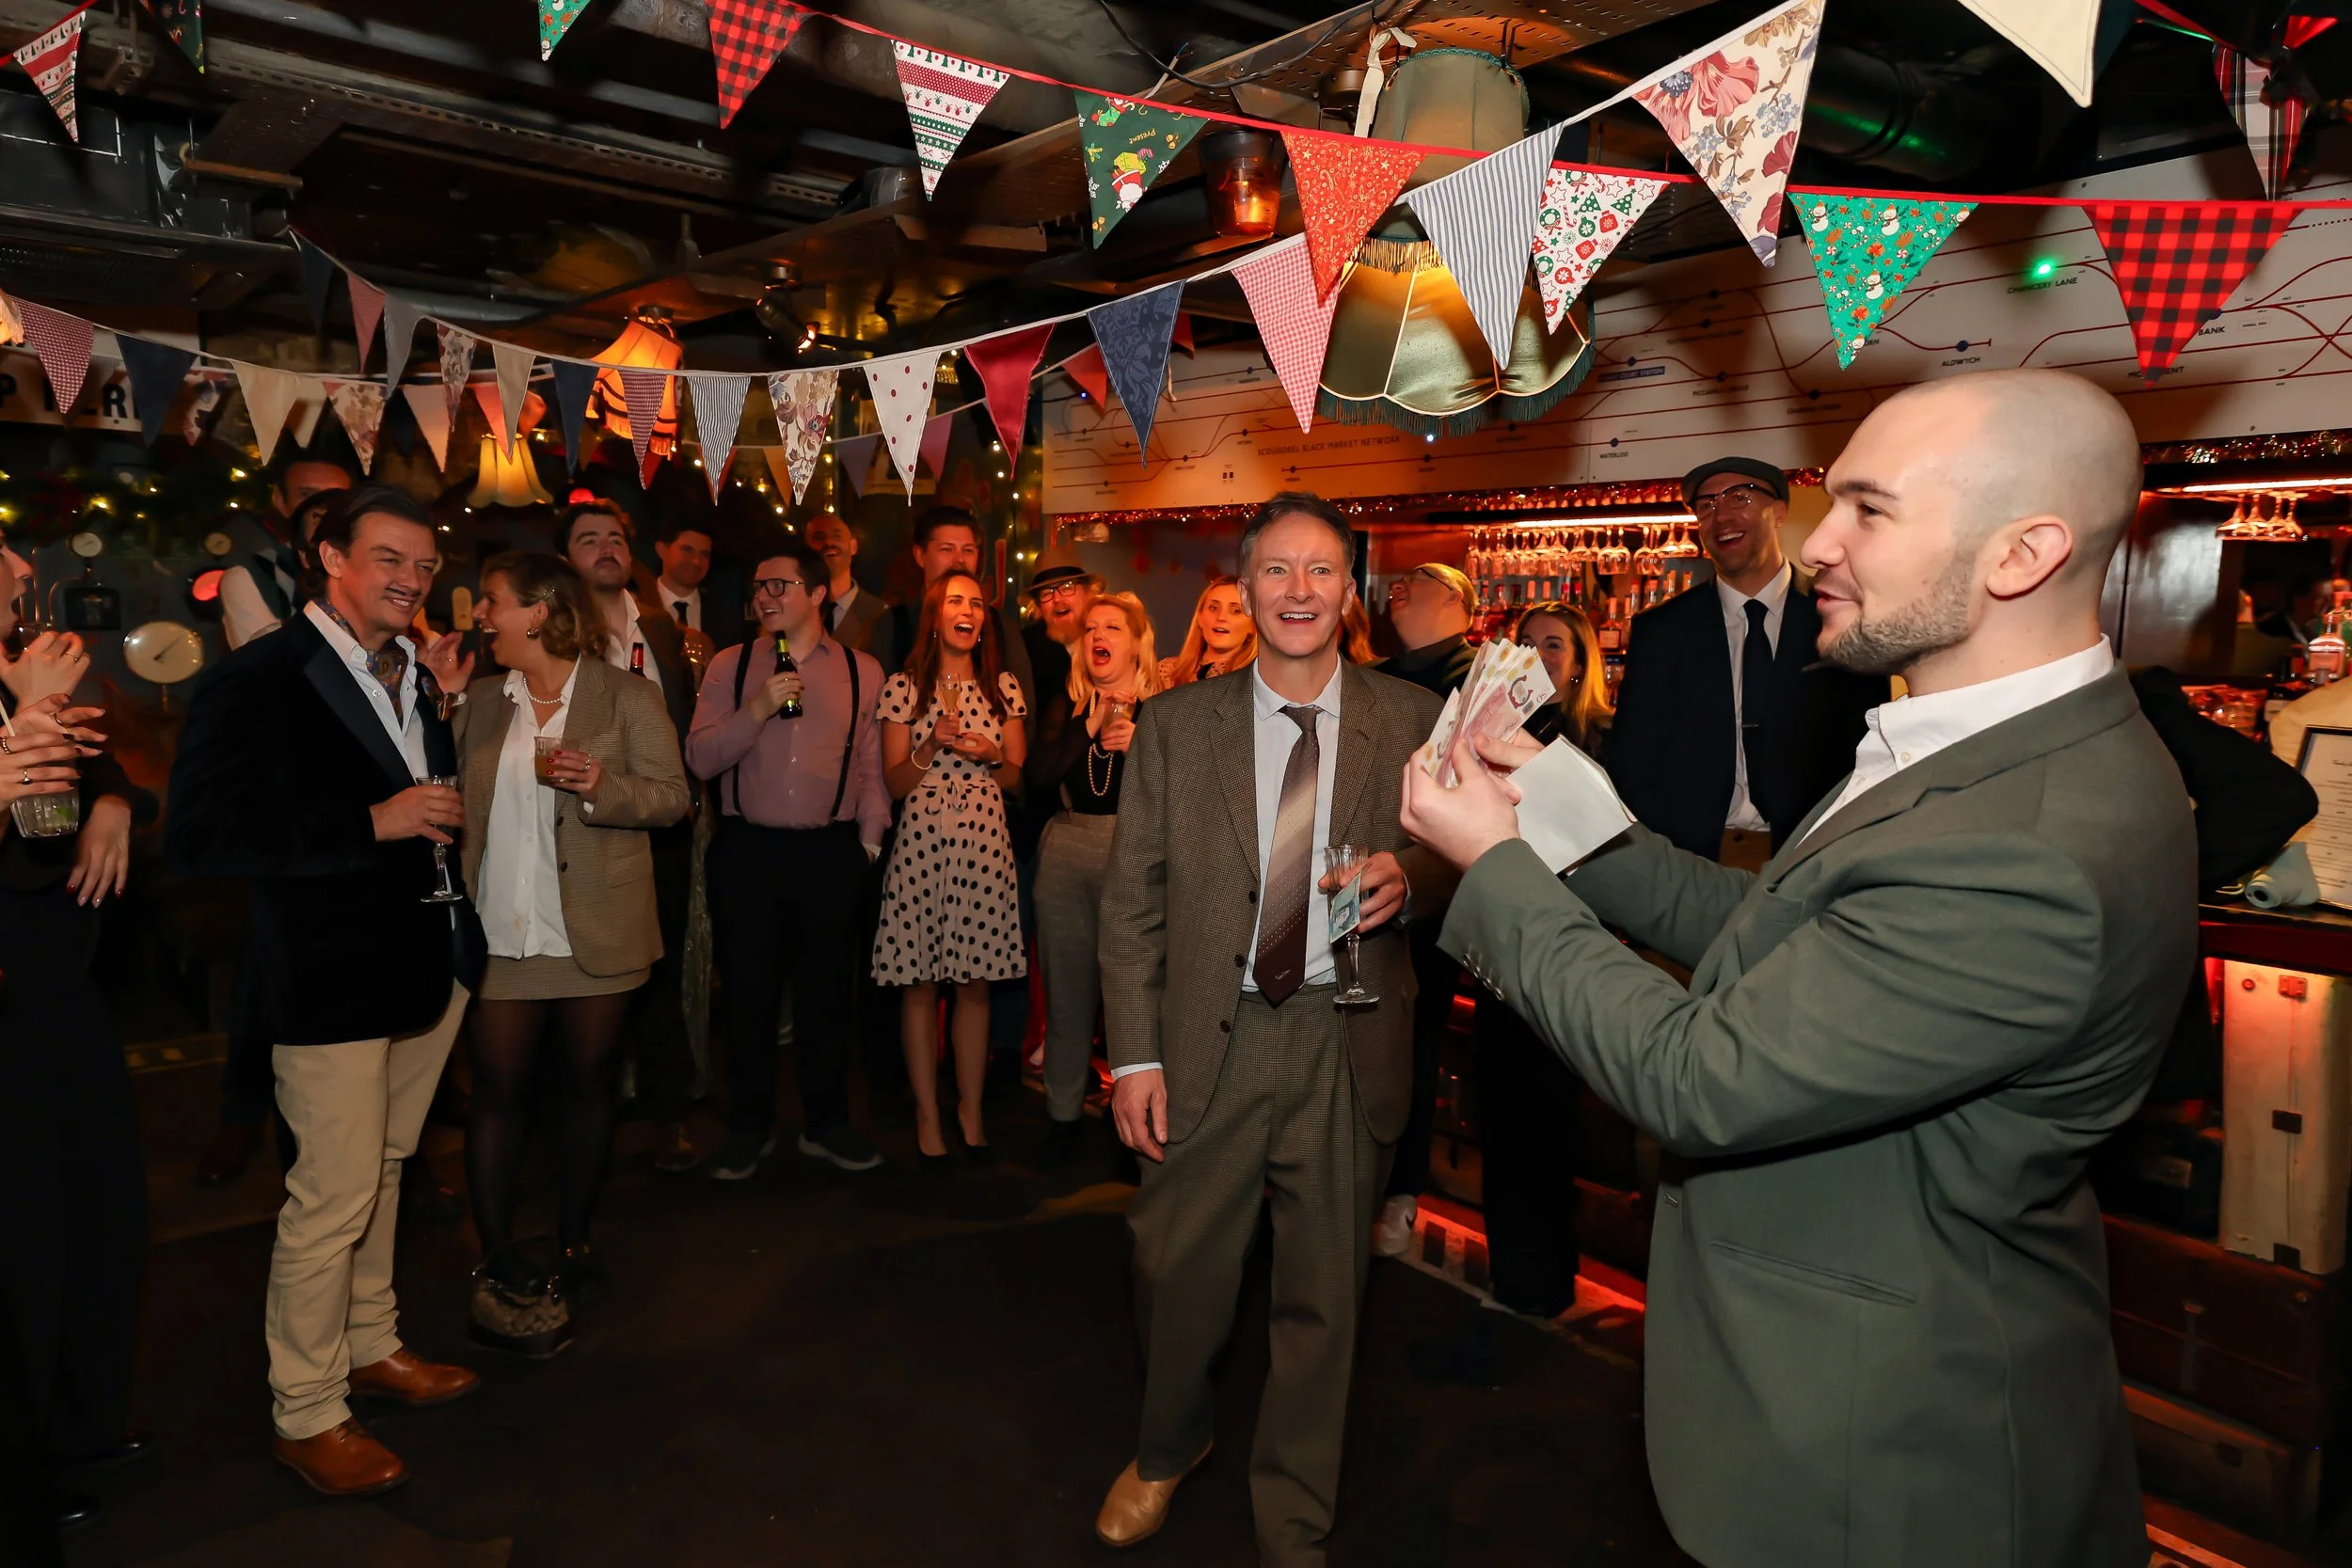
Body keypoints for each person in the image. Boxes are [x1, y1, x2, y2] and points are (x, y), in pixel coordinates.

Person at [1400, 369, 2196, 1568]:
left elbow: (1696, 1076)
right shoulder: (1978, 739)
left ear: (2022, 552)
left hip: (1885, 1445)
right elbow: (1772, 923)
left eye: (1868, 511)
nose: (1816, 541)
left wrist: (1493, 867)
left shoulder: (2026, 841)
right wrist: (1549, 797)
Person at [1094, 492, 1451, 1567]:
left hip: (1348, 1038)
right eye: (1277, 570)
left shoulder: (1410, 719)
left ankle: (1294, 1507)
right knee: (1172, 1268)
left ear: (1351, 593)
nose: (1299, 590)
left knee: (1324, 1295)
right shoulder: (1175, 722)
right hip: (1213, 1036)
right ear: (1245, 589)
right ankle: (1167, 1446)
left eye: (1322, 571)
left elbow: (1466, 851)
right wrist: (1136, 1055)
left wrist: (1412, 872)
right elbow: (1130, 904)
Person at [167, 484, 488, 1498]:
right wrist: (371, 823)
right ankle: (305, 1411)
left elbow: (416, 795)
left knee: (387, 1169)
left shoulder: (409, 670)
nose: (411, 579)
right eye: (390, 558)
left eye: (425, 565)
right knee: (331, 1195)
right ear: (330, 558)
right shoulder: (257, 678)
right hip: (326, 975)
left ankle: (372, 1344)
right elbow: (200, 838)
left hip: (427, 959)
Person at [420, 553, 690, 1354]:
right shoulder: (478, 702)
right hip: (501, 928)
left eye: (493, 603)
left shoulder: (627, 695)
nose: (481, 616)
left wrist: (602, 783)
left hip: (592, 931)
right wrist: (432, 697)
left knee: (587, 1087)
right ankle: (499, 1252)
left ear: (539, 611)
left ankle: (572, 1236)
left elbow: (673, 798)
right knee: (498, 1091)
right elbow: (430, 776)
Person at [0, 552, 153, 1538]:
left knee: (93, 1215)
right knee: (19, 1241)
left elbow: (80, 785)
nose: (20, 562)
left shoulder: (19, 672)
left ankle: (67, 1427)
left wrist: (109, 799)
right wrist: (24, 733)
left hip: (57, 992)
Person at [685, 540, 892, 1180]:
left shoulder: (862, 669)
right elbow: (699, 757)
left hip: (831, 853)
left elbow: (871, 766)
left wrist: (869, 841)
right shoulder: (730, 663)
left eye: (778, 585)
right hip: (749, 850)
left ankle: (826, 1124)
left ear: (816, 593)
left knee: (827, 997)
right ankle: (750, 1128)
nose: (764, 597)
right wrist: (758, 708)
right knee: (747, 997)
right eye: (758, 587)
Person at [1605, 456, 1886, 870]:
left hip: (1815, 858)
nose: (1721, 516)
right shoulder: (1660, 631)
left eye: (1740, 498)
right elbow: (1631, 757)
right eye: (1706, 506)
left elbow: (1869, 744)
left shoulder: (1841, 615)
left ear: (1778, 512)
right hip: (1691, 863)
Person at [1463, 601, 1613, 1317]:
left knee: (1547, 1123)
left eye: (1553, 645)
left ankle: (1543, 1283)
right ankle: (1511, 1279)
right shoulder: (1488, 733)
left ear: (1580, 660)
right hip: (1500, 939)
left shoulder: (1598, 740)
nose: (1537, 655)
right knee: (1503, 1119)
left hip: (1568, 944)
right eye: (1524, 644)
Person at [198, 485, 350, 1189]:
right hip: (278, 814)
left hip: (360, 820)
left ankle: (371, 1152)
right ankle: (245, 1121)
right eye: (323, 534)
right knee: (270, 977)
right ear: (304, 549)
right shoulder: (253, 584)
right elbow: (282, 681)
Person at [873, 570, 1028, 1164]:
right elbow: (894, 783)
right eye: (955, 601)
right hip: (921, 843)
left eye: (976, 603)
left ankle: (971, 1108)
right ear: (935, 614)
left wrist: (993, 756)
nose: (968, 610)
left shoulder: (1002, 687)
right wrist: (930, 744)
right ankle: (927, 1112)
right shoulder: (903, 688)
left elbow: (1017, 778)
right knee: (919, 986)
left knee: (976, 985)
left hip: (985, 843)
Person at [564, 499, 699, 1171]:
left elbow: (684, 722)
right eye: (589, 539)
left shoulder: (662, 630)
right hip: (586, 826)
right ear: (568, 561)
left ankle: (668, 1112)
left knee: (662, 971)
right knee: (591, 972)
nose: (606, 548)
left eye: (615, 538)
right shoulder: (557, 634)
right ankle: (588, 1114)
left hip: (664, 827)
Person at [1369, 561, 1479, 1259]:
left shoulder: (1479, 680)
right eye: (1396, 578)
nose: (1398, 586)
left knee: (1412, 1040)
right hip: (1357, 875)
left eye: (1420, 578)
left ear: (1461, 601)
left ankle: (1401, 1192)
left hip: (1437, 888)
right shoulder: (1370, 674)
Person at [1027, 592, 1156, 1164]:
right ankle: (1060, 1117)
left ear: (1136, 642)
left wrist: (1145, 747)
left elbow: (1181, 799)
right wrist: (1092, 725)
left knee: (1133, 997)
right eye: (1090, 629)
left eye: (1113, 627)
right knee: (1067, 988)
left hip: (1135, 853)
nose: (1098, 636)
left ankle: (1134, 1125)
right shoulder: (1067, 706)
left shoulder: (1164, 710)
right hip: (1067, 846)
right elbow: (1038, 776)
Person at [867, 506, 1035, 714]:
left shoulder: (999, 625)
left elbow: (1024, 715)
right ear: (920, 555)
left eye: (968, 550)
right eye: (947, 549)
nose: (959, 560)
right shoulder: (892, 625)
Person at [218, 452, 356, 649]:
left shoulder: (371, 570)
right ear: (281, 502)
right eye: (307, 496)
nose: (326, 510)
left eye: (337, 498)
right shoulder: (253, 576)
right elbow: (265, 667)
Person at [1514, 601, 1613, 753]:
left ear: (1578, 665)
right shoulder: (1499, 721)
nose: (1536, 655)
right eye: (1527, 645)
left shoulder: (1604, 733)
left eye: (1553, 645)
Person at [652, 517, 747, 657]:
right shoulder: (638, 603)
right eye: (687, 550)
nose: (696, 561)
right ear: (662, 550)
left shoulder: (725, 615)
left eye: (704, 554)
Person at [1377, 562, 1478, 694]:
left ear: (1453, 596)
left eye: (1416, 579)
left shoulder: (1484, 674)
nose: (1395, 587)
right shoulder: (1366, 676)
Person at [1020, 558, 1100, 712]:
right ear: (1039, 607)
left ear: (1088, 592)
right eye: (1046, 593)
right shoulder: (1025, 650)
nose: (1057, 599)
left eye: (1067, 587)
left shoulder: (1107, 639)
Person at [1157, 576, 1257, 687]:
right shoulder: (1167, 672)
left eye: (1236, 611)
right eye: (1213, 608)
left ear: (1252, 626)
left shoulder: (1260, 682)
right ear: (1200, 617)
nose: (1221, 617)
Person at [807, 512, 885, 653]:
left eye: (837, 536)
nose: (829, 543)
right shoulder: (795, 609)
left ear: (853, 546)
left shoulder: (879, 613)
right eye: (819, 537)